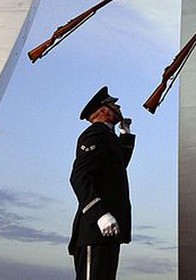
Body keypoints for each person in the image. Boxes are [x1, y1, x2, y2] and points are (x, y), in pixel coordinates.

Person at [68, 86, 135, 280]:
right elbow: (79, 177)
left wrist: (126, 137)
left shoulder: (108, 137)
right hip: (95, 228)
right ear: (104, 110)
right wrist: (100, 214)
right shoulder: (95, 134)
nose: (118, 106)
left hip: (108, 229)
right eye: (113, 104)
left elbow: (117, 167)